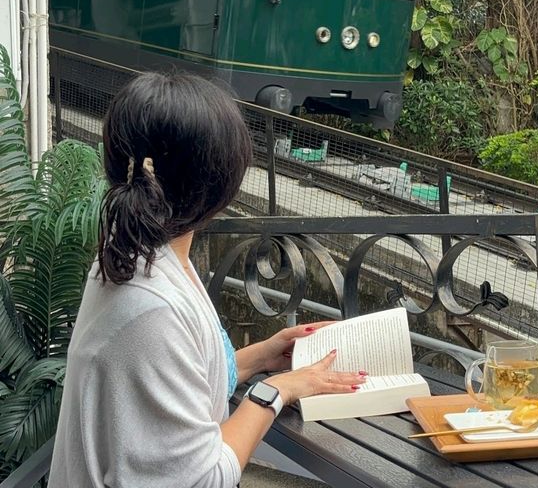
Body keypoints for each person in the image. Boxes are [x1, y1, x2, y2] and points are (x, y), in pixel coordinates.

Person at [48, 72, 365, 488]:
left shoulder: (136, 251)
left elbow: (176, 386)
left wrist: (262, 357)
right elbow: (203, 479)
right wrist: (276, 391)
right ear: (217, 189)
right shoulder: (149, 307)